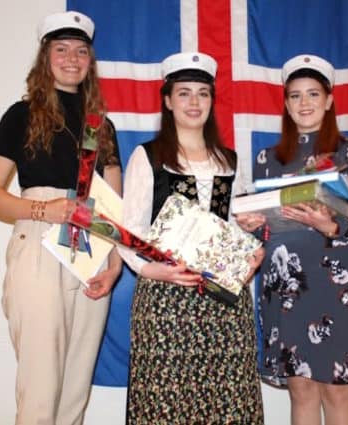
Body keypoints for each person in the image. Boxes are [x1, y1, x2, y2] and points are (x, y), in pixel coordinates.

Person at [0, 11, 122, 425]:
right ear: (45, 57)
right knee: (40, 391)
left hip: (90, 247)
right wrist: (45, 209)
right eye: (61, 49)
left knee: (74, 392)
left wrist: (113, 263)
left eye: (81, 51)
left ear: (90, 61)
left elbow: (112, 203)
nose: (72, 59)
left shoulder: (99, 126)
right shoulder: (21, 115)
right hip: (39, 238)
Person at [119, 52, 265, 424]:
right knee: (167, 404)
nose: (194, 102)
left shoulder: (229, 161)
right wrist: (151, 270)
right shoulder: (148, 157)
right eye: (184, 93)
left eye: (202, 93)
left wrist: (253, 245)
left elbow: (239, 226)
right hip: (166, 301)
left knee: (227, 403)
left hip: (224, 302)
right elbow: (128, 230)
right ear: (168, 101)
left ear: (212, 100)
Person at [240, 54, 348, 425]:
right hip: (285, 287)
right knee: (300, 389)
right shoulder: (268, 158)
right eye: (295, 95)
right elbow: (268, 226)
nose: (304, 103)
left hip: (336, 286)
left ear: (329, 100)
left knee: (337, 390)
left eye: (313, 94)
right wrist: (253, 225)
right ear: (286, 104)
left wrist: (329, 225)